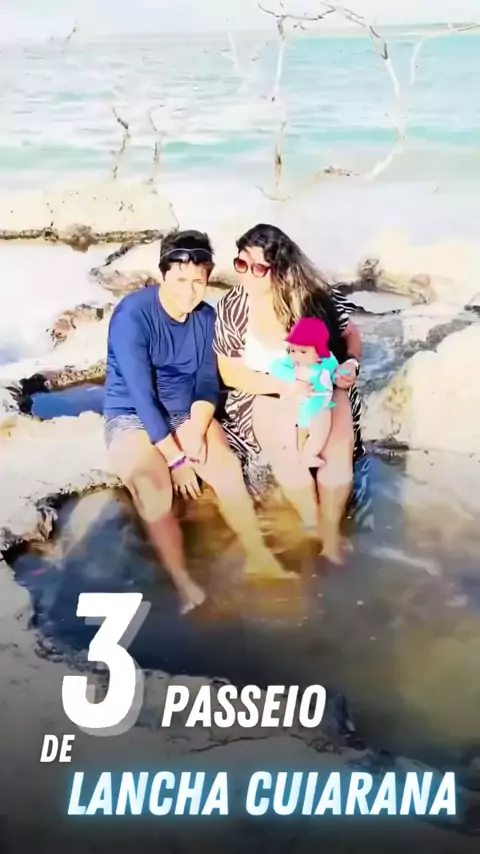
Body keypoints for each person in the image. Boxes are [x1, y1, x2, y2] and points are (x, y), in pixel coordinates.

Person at [104, 229, 287, 616]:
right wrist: (176, 459)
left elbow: (206, 381)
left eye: (198, 282)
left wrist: (198, 429)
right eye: (180, 280)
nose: (189, 292)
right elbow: (141, 395)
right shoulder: (132, 316)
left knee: (225, 467)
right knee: (153, 489)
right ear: (162, 274)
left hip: (186, 411)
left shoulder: (206, 317)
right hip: (132, 414)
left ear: (208, 277)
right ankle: (184, 583)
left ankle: (258, 555)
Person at [214, 223, 366, 565]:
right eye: (241, 263)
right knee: (289, 458)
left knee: (337, 454)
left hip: (323, 386)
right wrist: (284, 387)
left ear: (280, 268)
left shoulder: (314, 295)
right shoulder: (233, 307)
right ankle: (312, 523)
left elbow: (351, 334)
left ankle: (330, 536)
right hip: (266, 390)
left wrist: (351, 364)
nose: (247, 274)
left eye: (258, 268)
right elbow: (230, 372)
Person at [254, 316, 339, 471]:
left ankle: (308, 454)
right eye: (293, 350)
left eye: (303, 351)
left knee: (320, 433)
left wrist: (342, 374)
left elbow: (336, 372)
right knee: (296, 428)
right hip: (296, 404)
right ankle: (296, 454)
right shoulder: (291, 362)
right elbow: (274, 368)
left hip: (319, 406)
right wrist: (292, 376)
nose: (296, 355)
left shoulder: (328, 359)